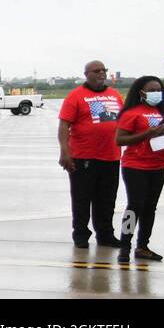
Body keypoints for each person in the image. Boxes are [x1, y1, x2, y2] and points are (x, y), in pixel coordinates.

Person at [57, 60, 124, 248]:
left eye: (104, 70)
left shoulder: (115, 95)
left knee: (107, 199)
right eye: (97, 71)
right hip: (83, 157)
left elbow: (122, 121)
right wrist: (65, 152)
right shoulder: (75, 96)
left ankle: (105, 235)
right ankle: (80, 234)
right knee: (82, 199)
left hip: (110, 156)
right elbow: (64, 126)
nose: (101, 73)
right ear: (87, 74)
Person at [113, 76, 164, 263]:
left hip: (159, 166)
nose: (156, 93)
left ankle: (143, 246)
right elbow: (120, 140)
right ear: (141, 93)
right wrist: (146, 134)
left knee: (150, 208)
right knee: (135, 206)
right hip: (136, 166)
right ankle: (125, 246)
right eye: (151, 90)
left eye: (159, 90)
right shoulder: (131, 113)